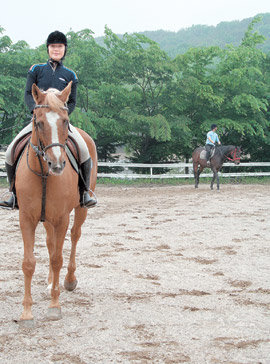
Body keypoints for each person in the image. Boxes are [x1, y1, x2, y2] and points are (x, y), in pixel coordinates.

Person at [0, 31, 96, 209]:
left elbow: (72, 101)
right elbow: (29, 93)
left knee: (83, 150)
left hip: (60, 122)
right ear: (48, 49)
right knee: (10, 151)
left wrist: (63, 117)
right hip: (39, 121)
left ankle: (84, 193)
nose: (56, 49)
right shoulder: (36, 70)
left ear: (64, 49)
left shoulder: (70, 75)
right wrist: (34, 112)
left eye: (59, 47)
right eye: (53, 47)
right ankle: (13, 193)